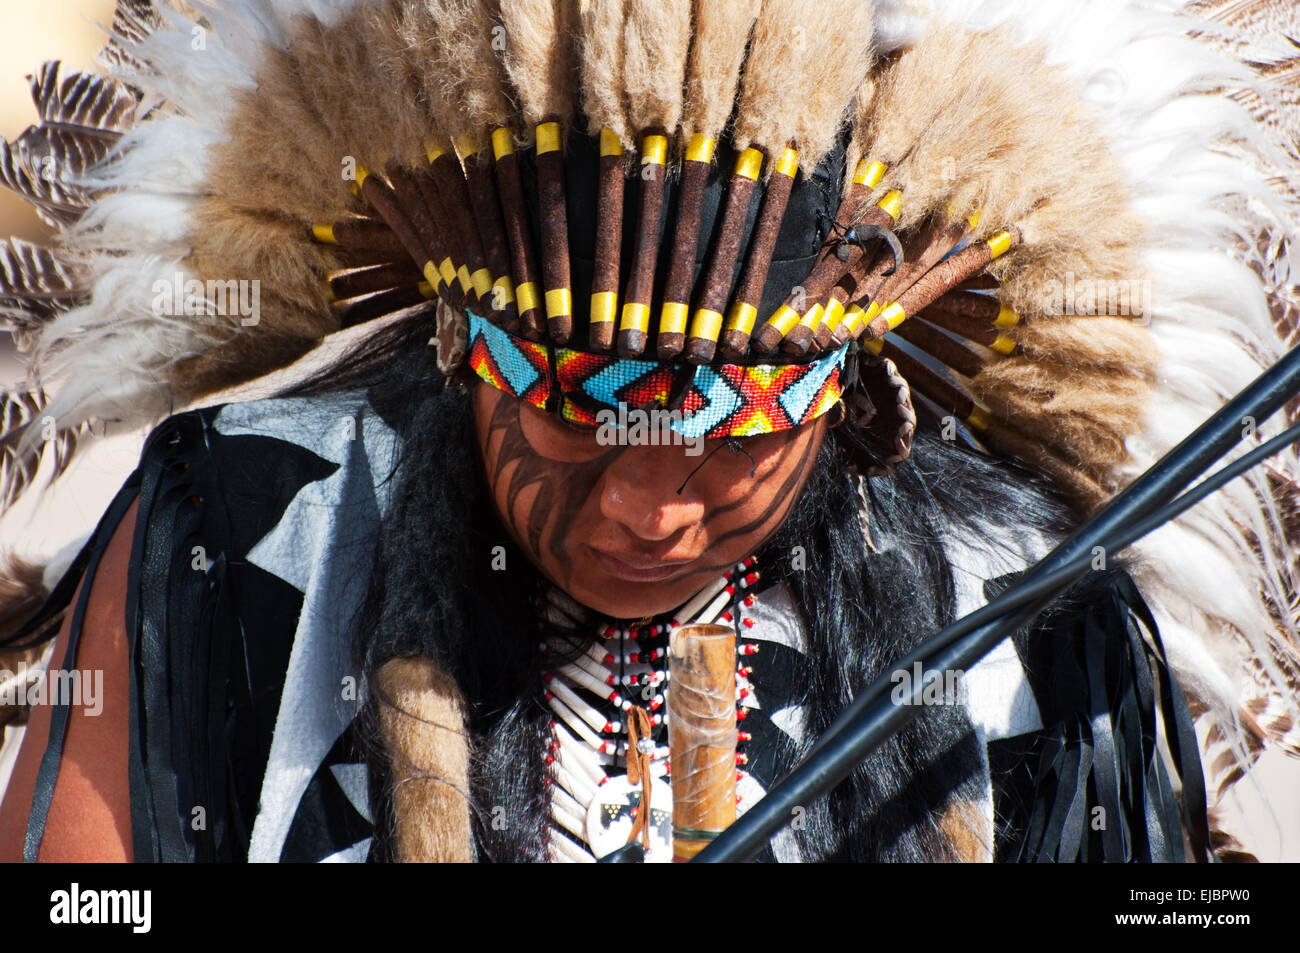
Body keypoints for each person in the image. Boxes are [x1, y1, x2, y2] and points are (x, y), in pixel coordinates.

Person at [0, 0, 1296, 863]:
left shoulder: (1028, 616)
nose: (650, 506)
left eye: (736, 441)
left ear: (852, 405)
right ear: (466, 354)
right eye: (577, 418)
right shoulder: (244, 528)